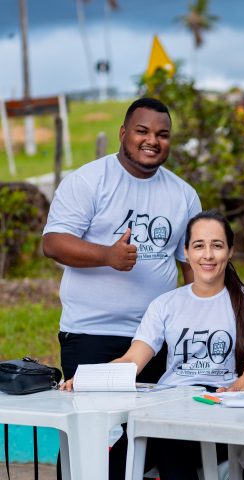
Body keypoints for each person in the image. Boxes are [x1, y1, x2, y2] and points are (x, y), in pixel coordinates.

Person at [62, 210, 244, 480]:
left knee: (166, 441)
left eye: (217, 245)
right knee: (118, 460)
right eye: (199, 245)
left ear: (230, 251)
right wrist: (90, 378)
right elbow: (132, 360)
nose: (208, 255)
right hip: (171, 404)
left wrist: (232, 392)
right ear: (185, 252)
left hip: (219, 411)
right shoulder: (165, 304)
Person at [42, 97, 202, 384]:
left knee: (155, 413)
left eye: (162, 135)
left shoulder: (184, 194)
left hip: (157, 335)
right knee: (93, 412)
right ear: (123, 133)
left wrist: (198, 319)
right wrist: (107, 255)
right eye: (142, 131)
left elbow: (191, 266)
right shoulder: (89, 181)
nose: (152, 141)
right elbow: (53, 243)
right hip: (91, 333)